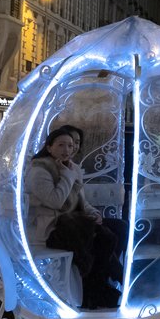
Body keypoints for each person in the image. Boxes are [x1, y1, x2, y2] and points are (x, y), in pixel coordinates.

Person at [26, 126, 120, 309]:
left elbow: (80, 201)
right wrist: (67, 176)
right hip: (50, 228)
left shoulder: (72, 168)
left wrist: (92, 212)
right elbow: (56, 201)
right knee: (104, 238)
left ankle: (101, 285)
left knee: (118, 228)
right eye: (61, 145)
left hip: (72, 222)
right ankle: (98, 288)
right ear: (49, 147)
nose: (67, 150)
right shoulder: (40, 170)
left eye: (71, 145)